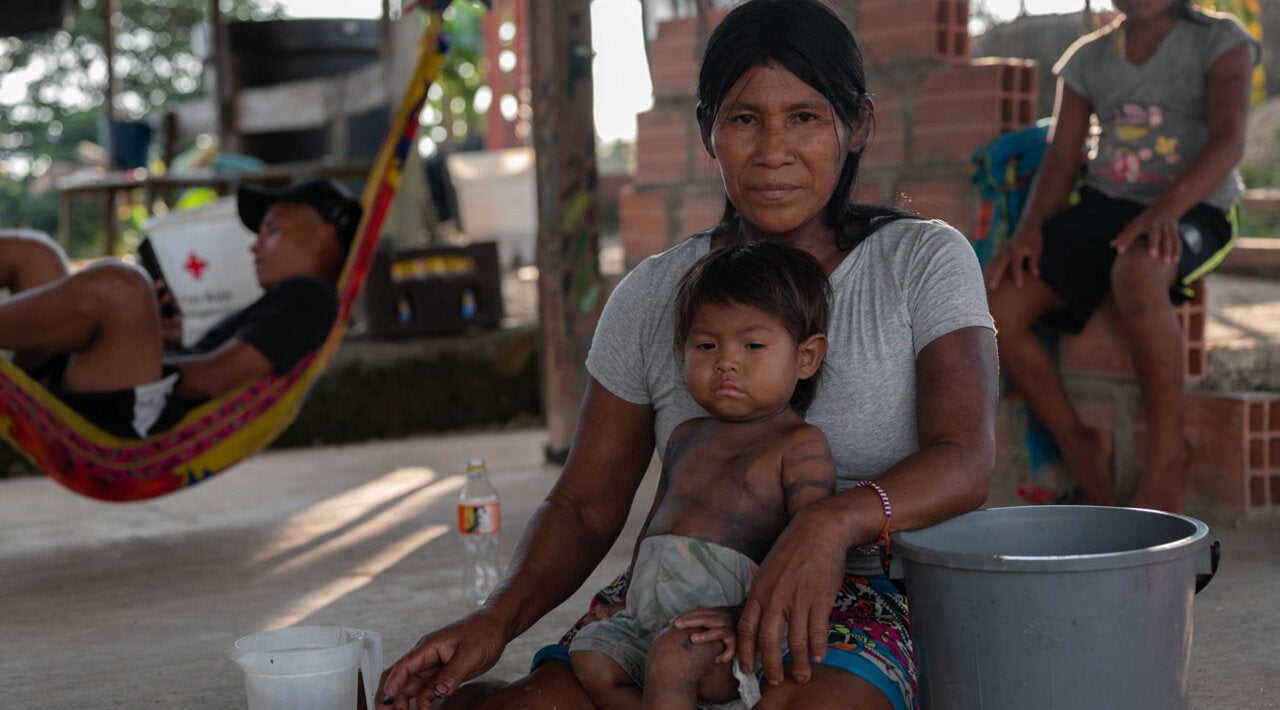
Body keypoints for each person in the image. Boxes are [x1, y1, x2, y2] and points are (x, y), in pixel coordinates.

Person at [379, 1, 997, 708]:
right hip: (675, 599)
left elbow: (965, 458)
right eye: (744, 119)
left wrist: (830, 521)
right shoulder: (654, 293)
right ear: (708, 130)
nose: (773, 150)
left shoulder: (919, 261)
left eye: (804, 117)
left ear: (856, 124)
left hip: (855, 599)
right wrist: (495, 618)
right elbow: (583, 504)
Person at [983, 0, 1259, 512]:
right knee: (999, 300)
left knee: (1137, 271)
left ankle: (1168, 455)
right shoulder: (1086, 59)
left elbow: (1228, 143)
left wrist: (1166, 210)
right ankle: (1080, 447)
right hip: (1105, 208)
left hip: (1195, 206)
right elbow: (1061, 161)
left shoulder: (1222, 41)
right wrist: (1028, 232)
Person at [568, 241, 836, 710]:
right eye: (706, 345)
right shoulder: (685, 436)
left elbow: (810, 548)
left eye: (753, 345)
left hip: (728, 622)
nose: (726, 361)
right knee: (590, 656)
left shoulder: (799, 446)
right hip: (653, 611)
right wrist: (631, 598)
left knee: (673, 660)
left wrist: (747, 616)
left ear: (806, 358)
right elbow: (656, 522)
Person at [0, 178, 361, 438]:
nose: (255, 246)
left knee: (122, 285)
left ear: (325, 235)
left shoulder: (309, 295)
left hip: (129, 412)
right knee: (35, 253)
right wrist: (152, 343)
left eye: (273, 230)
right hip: (106, 384)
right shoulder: (293, 302)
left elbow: (215, 378)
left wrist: (144, 355)